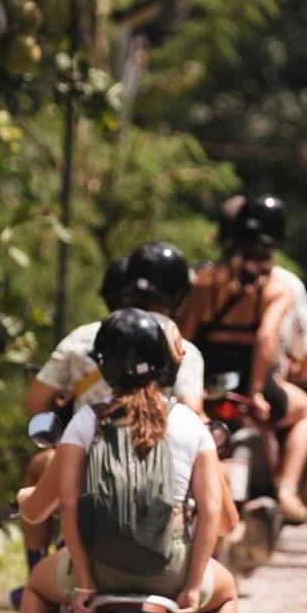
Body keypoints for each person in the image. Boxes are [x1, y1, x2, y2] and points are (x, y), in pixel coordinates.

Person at [8, 309, 238, 613]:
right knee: (225, 595)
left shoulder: (86, 420)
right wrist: (190, 588)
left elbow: (60, 506)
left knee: (37, 589)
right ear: (166, 363)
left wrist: (87, 580)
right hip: (168, 576)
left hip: (93, 573)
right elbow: (215, 515)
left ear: (103, 364)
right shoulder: (189, 423)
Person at [17, 242, 205, 570]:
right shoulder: (182, 348)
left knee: (39, 468)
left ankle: (35, 569)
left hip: (77, 465)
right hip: (167, 558)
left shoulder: (84, 347)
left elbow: (35, 403)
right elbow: (195, 410)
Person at [180, 194, 307, 523]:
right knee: (305, 412)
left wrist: (186, 386)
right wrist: (256, 391)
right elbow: (266, 338)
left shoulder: (204, 282)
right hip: (248, 381)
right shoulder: (277, 288)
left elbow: (185, 335)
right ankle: (286, 490)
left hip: (206, 382)